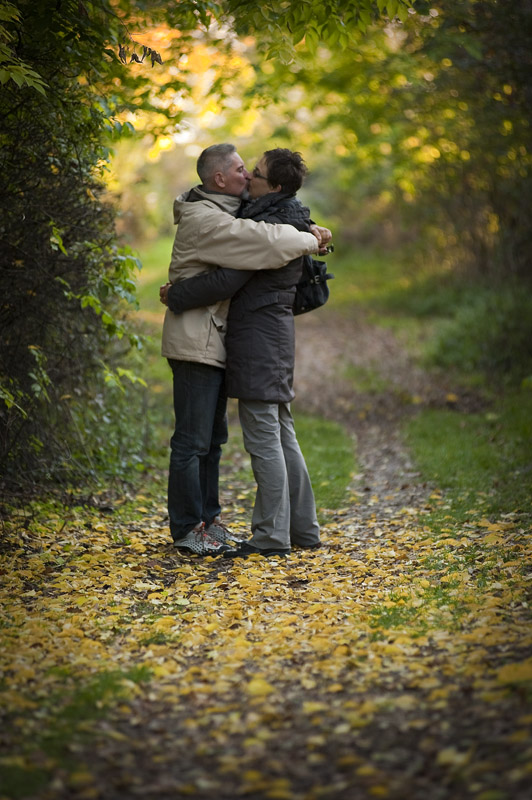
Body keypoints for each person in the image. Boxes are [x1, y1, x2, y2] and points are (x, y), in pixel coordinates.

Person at [160, 144, 328, 556]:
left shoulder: (238, 210)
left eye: (252, 170)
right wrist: (310, 235)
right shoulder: (206, 218)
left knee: (215, 439)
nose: (247, 175)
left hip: (232, 340)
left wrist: (312, 231)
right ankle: (188, 527)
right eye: (241, 169)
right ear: (220, 179)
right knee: (193, 441)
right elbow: (254, 244)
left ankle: (211, 521)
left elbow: (268, 230)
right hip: (197, 341)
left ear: (272, 186)